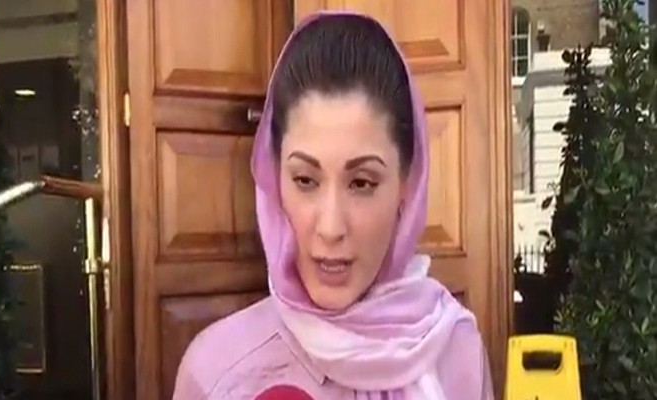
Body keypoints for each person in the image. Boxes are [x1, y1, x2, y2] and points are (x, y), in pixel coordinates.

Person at [172, 11, 494, 400]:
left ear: (407, 186)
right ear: (274, 180)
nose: (330, 227)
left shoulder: (456, 350)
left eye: (361, 183)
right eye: (305, 181)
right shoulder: (216, 373)